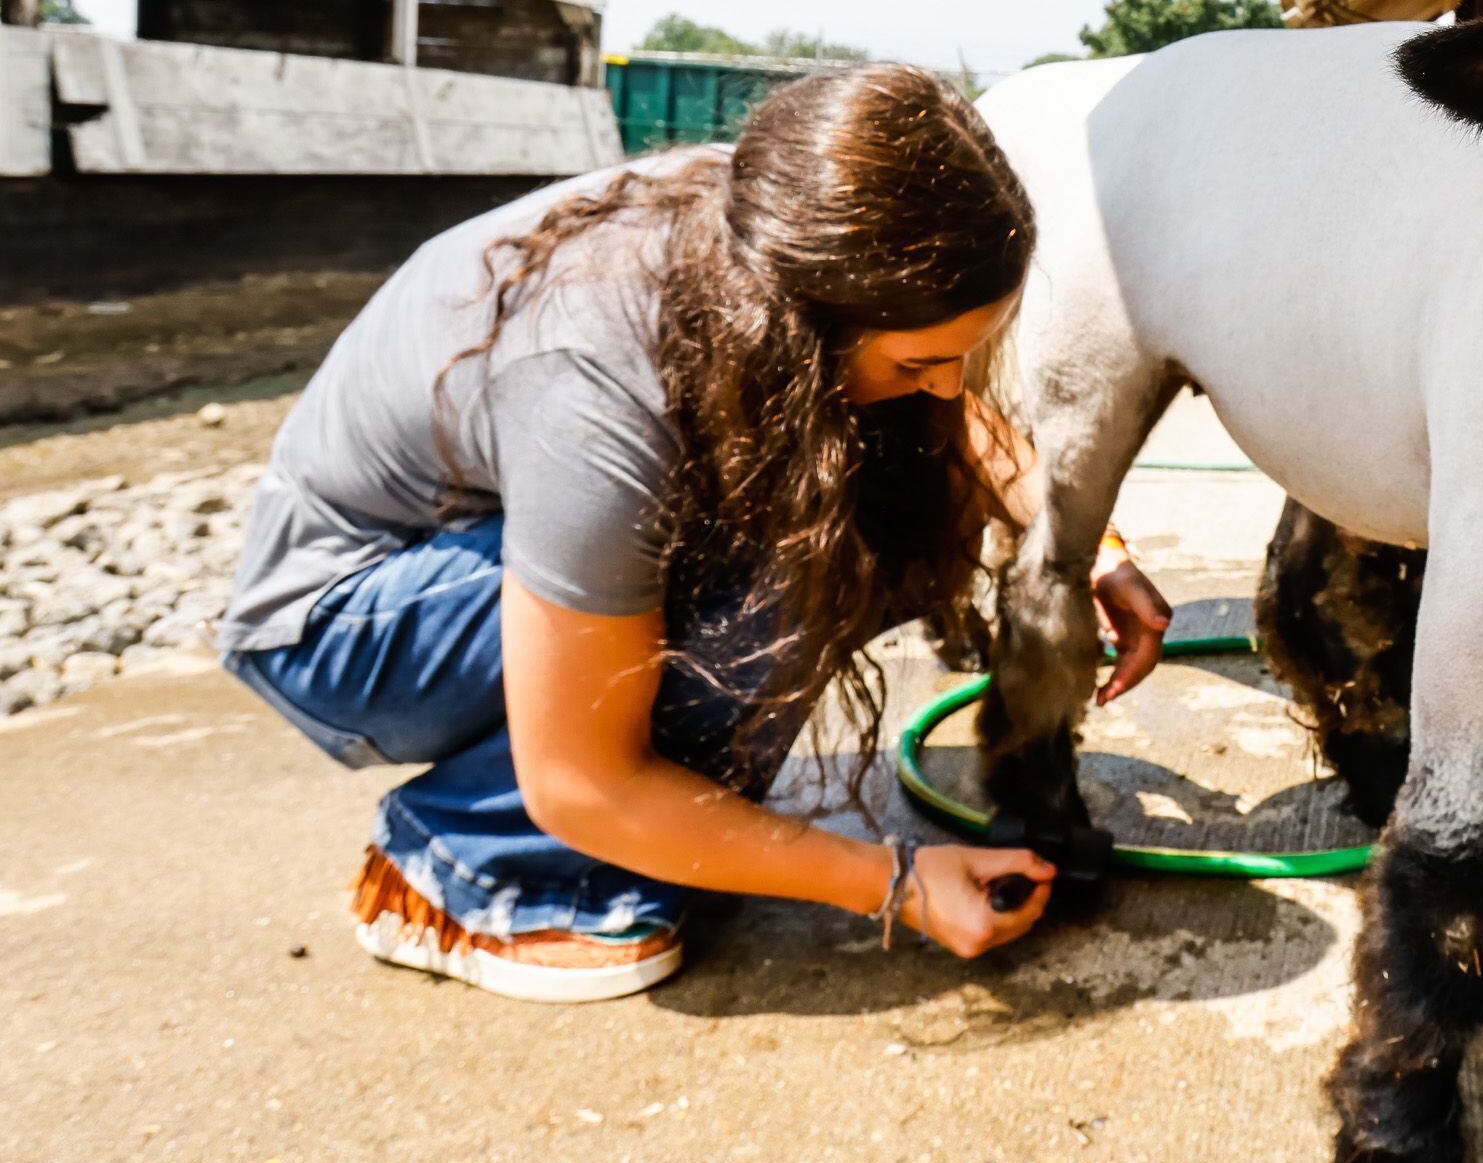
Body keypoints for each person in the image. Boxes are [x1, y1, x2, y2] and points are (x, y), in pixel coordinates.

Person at [216, 64, 1171, 1002]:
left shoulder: (788, 216)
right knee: (788, 564)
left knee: (893, 482)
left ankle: (604, 815)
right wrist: (894, 884)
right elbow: (578, 777)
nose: (950, 389)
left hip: (485, 546)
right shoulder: (593, 384)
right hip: (345, 623)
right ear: (807, 318)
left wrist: (1084, 545)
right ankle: (467, 867)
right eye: (921, 359)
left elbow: (945, 412)